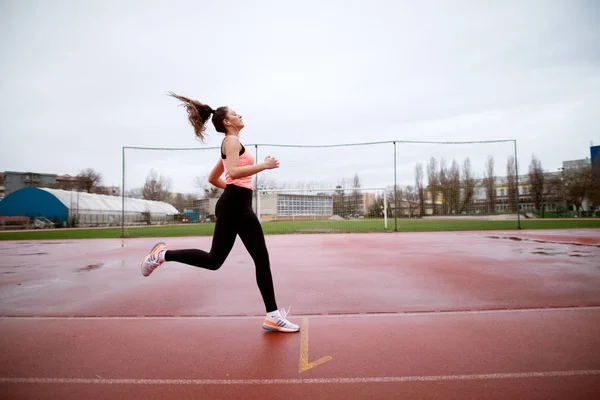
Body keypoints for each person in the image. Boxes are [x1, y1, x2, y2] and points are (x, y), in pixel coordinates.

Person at [139, 92, 299, 333]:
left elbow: (214, 178)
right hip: (236, 206)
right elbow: (233, 172)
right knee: (260, 259)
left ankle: (162, 255)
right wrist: (263, 166)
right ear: (226, 121)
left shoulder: (231, 144)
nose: (239, 115)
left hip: (234, 203)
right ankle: (273, 315)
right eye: (235, 113)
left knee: (215, 261)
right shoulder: (231, 141)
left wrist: (237, 188)